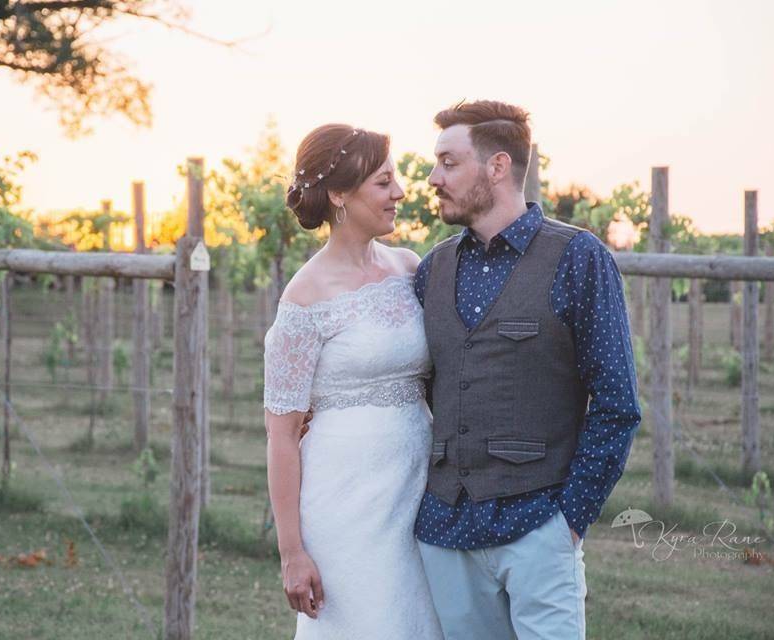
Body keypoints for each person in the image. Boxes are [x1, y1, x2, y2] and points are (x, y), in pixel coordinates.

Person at [413, 99, 642, 639]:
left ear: (497, 167)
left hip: (540, 526)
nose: (432, 178)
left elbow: (616, 403)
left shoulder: (578, 258)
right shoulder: (432, 271)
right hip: (446, 530)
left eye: (448, 162)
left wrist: (569, 521)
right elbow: (417, 387)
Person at [263, 123, 444, 639]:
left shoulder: (409, 268)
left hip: (416, 486)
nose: (400, 193)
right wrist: (292, 552)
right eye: (384, 182)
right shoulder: (305, 298)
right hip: (345, 498)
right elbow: (281, 434)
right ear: (341, 194)